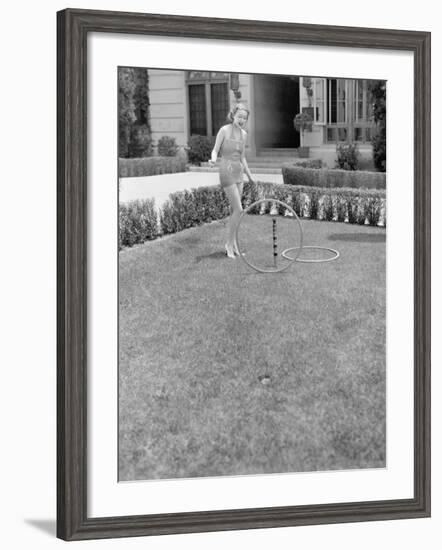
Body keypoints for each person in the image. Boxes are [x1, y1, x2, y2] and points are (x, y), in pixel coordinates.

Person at [209, 103, 254, 258]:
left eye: (245, 118)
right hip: (226, 170)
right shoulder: (224, 130)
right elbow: (215, 150)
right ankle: (228, 244)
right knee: (239, 209)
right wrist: (213, 159)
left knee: (235, 211)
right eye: (239, 116)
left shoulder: (244, 134)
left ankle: (233, 244)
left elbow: (242, 158)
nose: (242, 120)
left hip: (238, 172)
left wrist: (249, 175)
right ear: (233, 115)